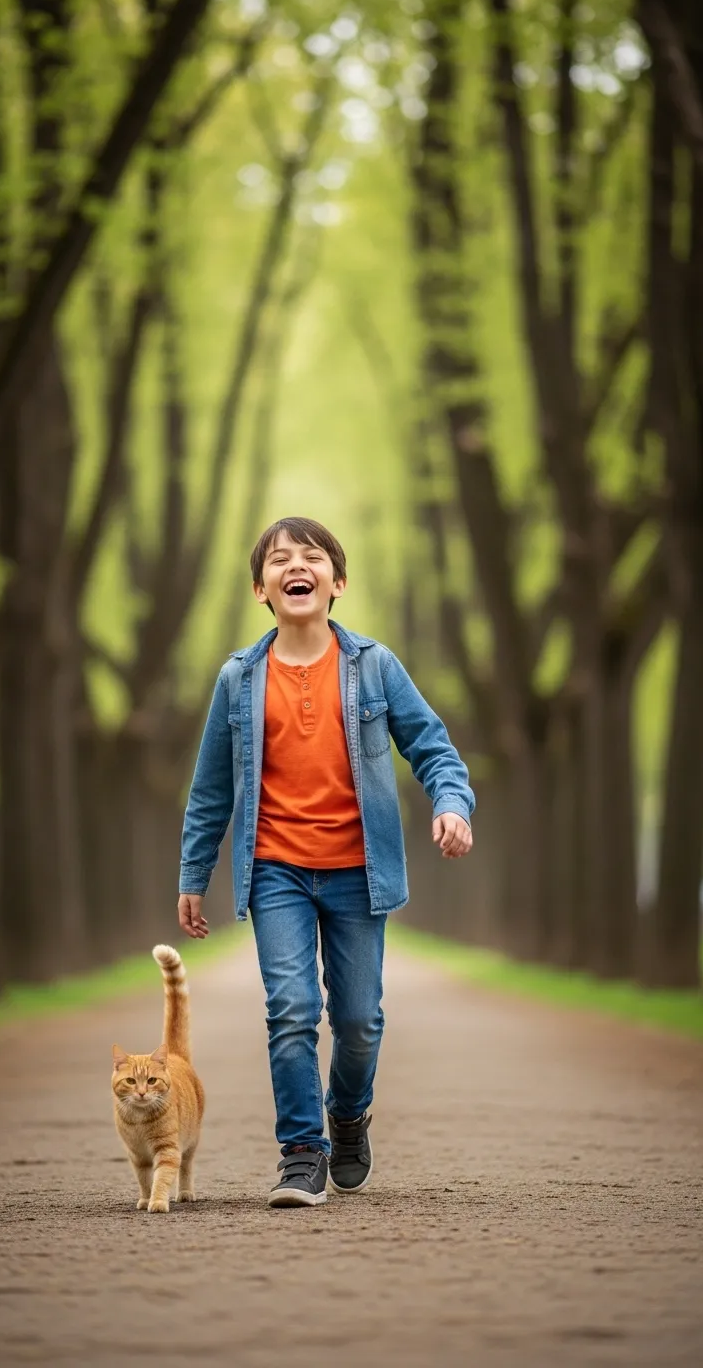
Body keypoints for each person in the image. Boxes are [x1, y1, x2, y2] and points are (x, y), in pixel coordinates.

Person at [178, 517, 475, 1208]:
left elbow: (433, 747)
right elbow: (211, 790)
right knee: (290, 1009)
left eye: (310, 557)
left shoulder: (374, 666)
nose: (295, 566)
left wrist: (451, 804)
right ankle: (302, 1152)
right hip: (275, 867)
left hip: (357, 871)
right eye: (279, 560)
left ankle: (348, 1117)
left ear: (337, 583)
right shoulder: (239, 679)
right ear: (262, 589)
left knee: (359, 1021)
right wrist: (193, 876)